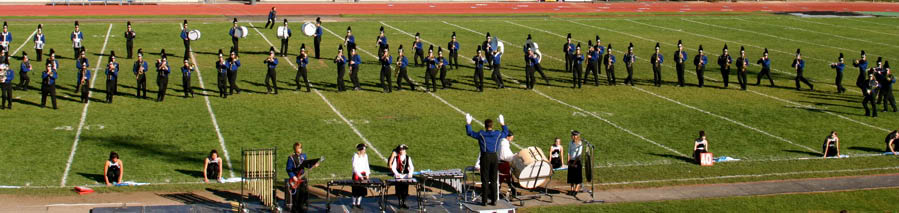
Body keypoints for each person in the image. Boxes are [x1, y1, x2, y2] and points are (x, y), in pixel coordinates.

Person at [465, 113, 509, 206]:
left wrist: (468, 123)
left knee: (484, 180)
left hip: (485, 157)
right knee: (494, 180)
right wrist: (503, 124)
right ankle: (494, 200)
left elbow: (470, 133)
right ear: (492, 126)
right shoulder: (497, 134)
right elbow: (505, 133)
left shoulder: (482, 134)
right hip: (494, 157)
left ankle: (484, 201)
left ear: (485, 126)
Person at [286, 142, 320, 213]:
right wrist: (293, 176)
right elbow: (288, 169)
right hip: (295, 179)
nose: (301, 149)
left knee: (303, 194)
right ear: (295, 149)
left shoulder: (303, 156)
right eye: (299, 148)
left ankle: (301, 208)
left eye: (301, 148)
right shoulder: (291, 158)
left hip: (302, 178)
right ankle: (295, 210)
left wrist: (314, 165)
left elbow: (307, 165)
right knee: (296, 196)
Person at [389, 144, 414, 209]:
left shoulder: (408, 158)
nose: (402, 151)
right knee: (399, 189)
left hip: (405, 176)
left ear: (405, 150)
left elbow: (411, 167)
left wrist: (410, 174)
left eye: (403, 150)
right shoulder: (396, 158)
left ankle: (404, 202)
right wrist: (396, 173)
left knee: (405, 190)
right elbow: (393, 167)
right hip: (399, 176)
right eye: (401, 150)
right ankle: (400, 202)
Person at [351, 143, 370, 209]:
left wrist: (367, 174)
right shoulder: (355, 156)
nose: (365, 151)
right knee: (355, 190)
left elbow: (367, 165)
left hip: (363, 174)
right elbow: (354, 167)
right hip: (356, 175)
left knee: (361, 190)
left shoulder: (366, 156)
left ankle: (358, 203)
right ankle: (353, 203)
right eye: (364, 149)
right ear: (360, 150)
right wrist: (360, 175)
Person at [567, 131, 584, 196]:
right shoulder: (570, 143)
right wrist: (568, 161)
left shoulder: (580, 143)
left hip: (577, 162)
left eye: (575, 135)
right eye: (573, 135)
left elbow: (578, 155)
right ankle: (572, 189)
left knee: (577, 177)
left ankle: (576, 190)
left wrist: (574, 163)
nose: (573, 137)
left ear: (577, 136)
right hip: (571, 161)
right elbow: (569, 152)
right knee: (571, 177)